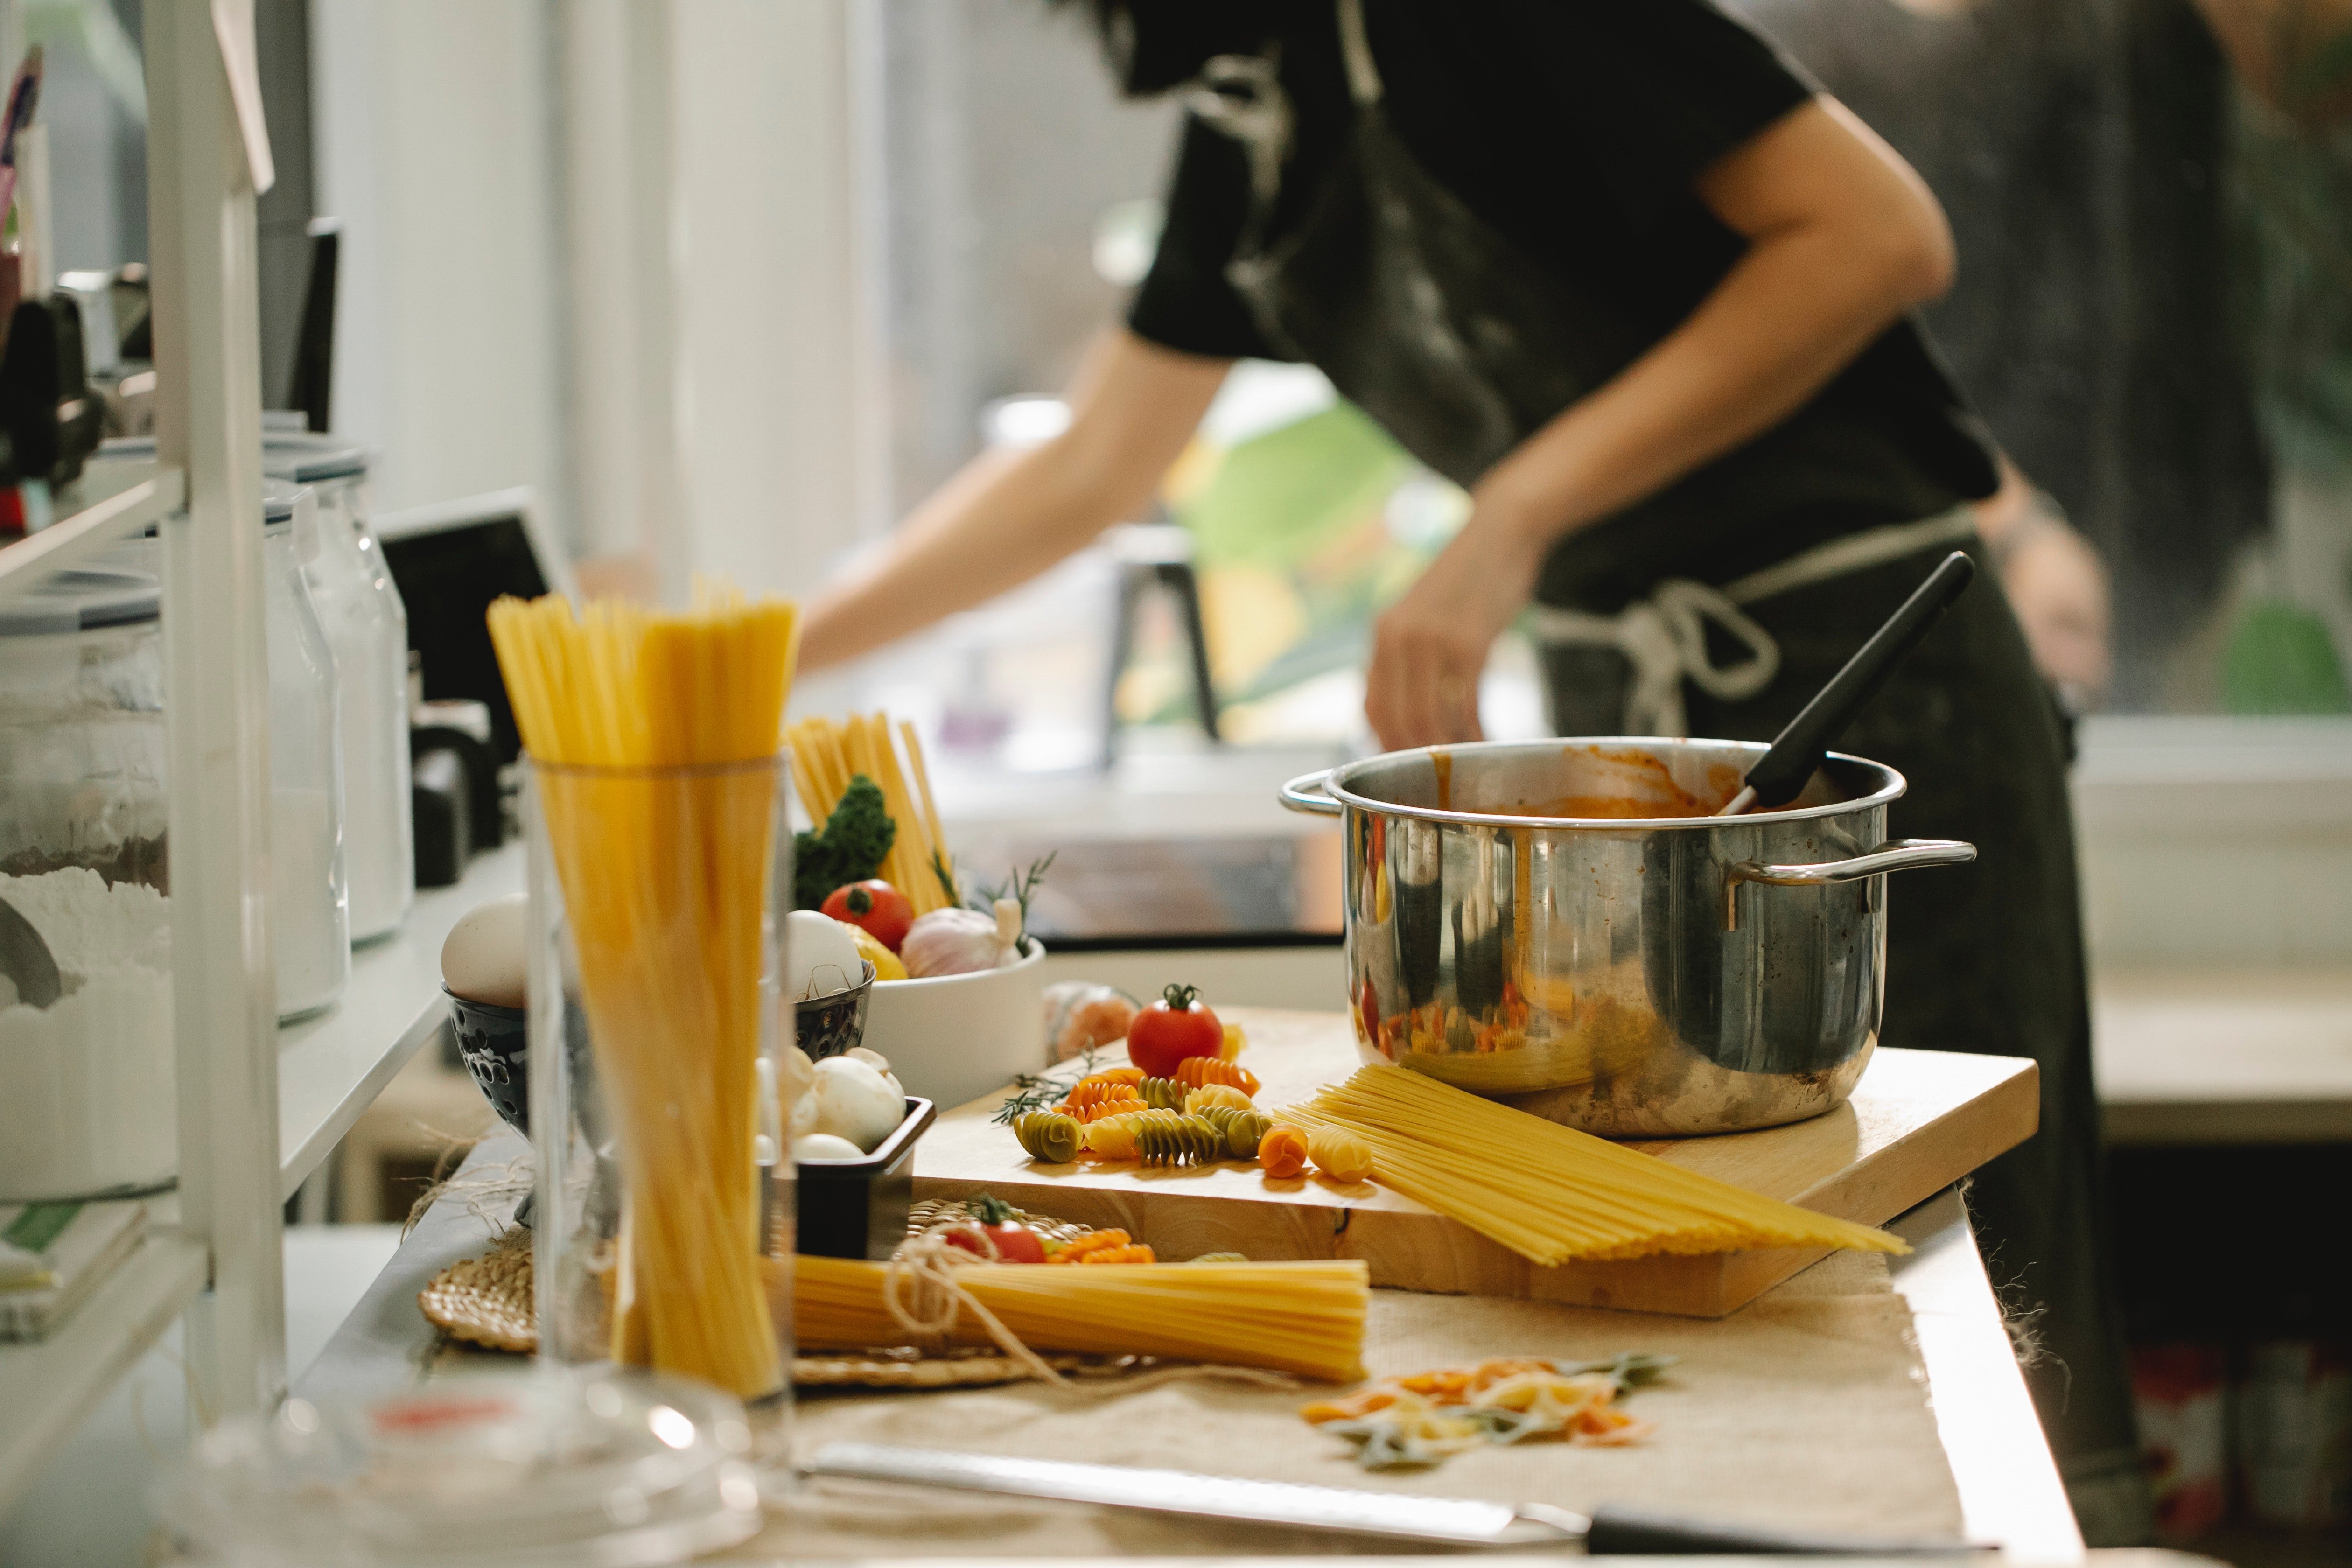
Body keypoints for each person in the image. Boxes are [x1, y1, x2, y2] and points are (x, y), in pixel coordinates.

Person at [799, 0, 2142, 1533]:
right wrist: (775, 647)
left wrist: (1514, 512)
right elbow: (1099, 462)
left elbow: (1878, 232)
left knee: (1949, 1247)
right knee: (1701, 1267)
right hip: (1621, 713)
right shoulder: (1264, 99)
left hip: (1865, 685)